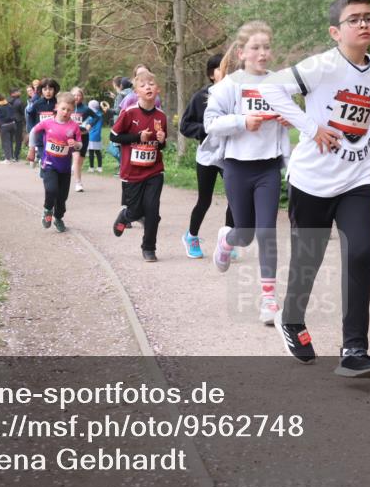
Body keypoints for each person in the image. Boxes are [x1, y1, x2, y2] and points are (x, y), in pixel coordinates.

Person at [260, 0, 370, 379]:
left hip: (355, 178)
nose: (364, 24)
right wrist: (310, 127)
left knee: (361, 253)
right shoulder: (320, 66)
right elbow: (271, 89)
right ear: (336, 31)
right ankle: (292, 319)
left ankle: (355, 348)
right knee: (309, 260)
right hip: (312, 181)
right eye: (354, 19)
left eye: (369, 17)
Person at [205, 22, 292, 324]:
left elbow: (295, 117)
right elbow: (211, 124)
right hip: (237, 167)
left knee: (267, 232)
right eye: (255, 48)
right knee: (245, 233)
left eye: (266, 47)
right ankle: (227, 240)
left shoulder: (279, 83)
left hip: (268, 167)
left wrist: (289, 119)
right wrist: (243, 121)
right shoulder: (228, 86)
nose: (262, 53)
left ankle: (269, 300)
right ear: (242, 53)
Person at [179, 53, 236, 260]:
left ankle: (227, 242)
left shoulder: (238, 96)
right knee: (204, 200)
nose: (228, 72)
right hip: (207, 156)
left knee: (235, 200)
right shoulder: (201, 97)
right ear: (212, 74)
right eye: (223, 68)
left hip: (230, 155)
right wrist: (207, 129)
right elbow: (185, 126)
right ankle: (191, 236)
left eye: (231, 68)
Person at [111, 69, 168, 262]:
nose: (148, 87)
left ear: (157, 89)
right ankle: (126, 216)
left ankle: (149, 248)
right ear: (136, 92)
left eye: (151, 84)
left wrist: (162, 140)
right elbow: (113, 136)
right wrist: (137, 137)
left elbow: (162, 146)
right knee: (136, 211)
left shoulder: (161, 116)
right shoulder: (129, 112)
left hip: (154, 170)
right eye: (143, 85)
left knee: (152, 211)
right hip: (132, 172)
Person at [30, 92, 83, 232]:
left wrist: (75, 144)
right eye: (63, 108)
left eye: (69, 110)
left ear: (73, 110)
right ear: (57, 107)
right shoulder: (47, 123)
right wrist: (31, 149)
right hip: (49, 164)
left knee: (62, 198)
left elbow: (80, 146)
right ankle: (47, 210)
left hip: (65, 168)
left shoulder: (74, 126)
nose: (66, 112)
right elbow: (33, 132)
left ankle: (58, 218)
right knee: (51, 189)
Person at [26, 79, 58, 172]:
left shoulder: (58, 104)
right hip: (40, 137)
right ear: (41, 91)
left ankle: (47, 170)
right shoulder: (37, 104)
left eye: (50, 89)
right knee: (44, 156)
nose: (48, 92)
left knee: (52, 159)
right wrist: (33, 129)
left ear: (55, 90)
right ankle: (44, 169)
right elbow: (30, 116)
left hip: (54, 137)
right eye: (45, 89)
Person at [70, 87, 90, 191]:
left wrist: (89, 124)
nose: (76, 97)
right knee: (76, 158)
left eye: (78, 95)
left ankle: (74, 168)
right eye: (74, 95)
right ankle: (78, 183)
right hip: (73, 138)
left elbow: (96, 116)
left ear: (82, 97)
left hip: (84, 136)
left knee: (80, 161)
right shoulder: (69, 108)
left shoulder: (86, 109)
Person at [0, 92, 18, 164]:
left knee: (5, 142)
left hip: (4, 126)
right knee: (10, 142)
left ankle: (7, 159)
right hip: (12, 124)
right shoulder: (9, 105)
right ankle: (11, 157)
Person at [84, 100, 105, 173]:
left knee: (91, 152)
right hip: (97, 136)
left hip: (91, 135)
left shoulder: (93, 115)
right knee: (97, 152)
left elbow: (87, 124)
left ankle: (91, 168)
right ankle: (99, 167)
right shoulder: (100, 114)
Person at [8, 88, 25, 161]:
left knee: (9, 139)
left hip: (9, 121)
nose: (20, 92)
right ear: (13, 93)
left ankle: (10, 155)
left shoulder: (7, 101)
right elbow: (23, 112)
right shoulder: (20, 102)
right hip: (18, 121)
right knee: (18, 139)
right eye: (18, 91)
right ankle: (16, 156)